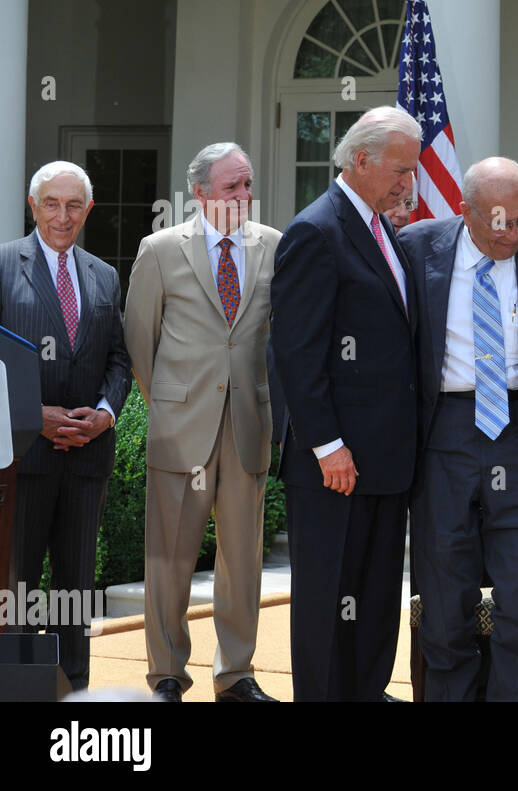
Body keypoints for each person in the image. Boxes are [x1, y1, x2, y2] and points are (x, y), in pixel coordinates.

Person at [398, 156, 518, 702]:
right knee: (442, 596)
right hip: (445, 431)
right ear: (465, 211)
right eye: (497, 221)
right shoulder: (417, 249)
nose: (510, 232)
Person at [271, 106, 420, 702]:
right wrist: (327, 445)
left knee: (377, 596)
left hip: (386, 461)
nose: (409, 183)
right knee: (328, 601)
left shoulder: (385, 231)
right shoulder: (316, 230)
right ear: (360, 161)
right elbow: (296, 354)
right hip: (336, 463)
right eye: (401, 170)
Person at [124, 142, 279, 703]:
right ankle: (167, 673)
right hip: (179, 429)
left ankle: (236, 675)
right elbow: (141, 339)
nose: (243, 195)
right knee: (169, 557)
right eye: (232, 186)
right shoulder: (161, 249)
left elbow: (274, 341)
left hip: (246, 427)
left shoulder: (273, 247)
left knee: (243, 562)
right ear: (200, 193)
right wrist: (170, 404)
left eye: (247, 184)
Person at [0, 161, 130, 691]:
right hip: (23, 459)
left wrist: (104, 413)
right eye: (51, 203)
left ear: (88, 210)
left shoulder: (104, 275)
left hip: (86, 461)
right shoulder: (5, 264)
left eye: (73, 205)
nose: (62, 215)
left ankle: (77, 691)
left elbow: (119, 359)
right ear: (34, 207)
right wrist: (34, 414)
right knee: (21, 586)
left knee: (76, 588)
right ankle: (22, 688)